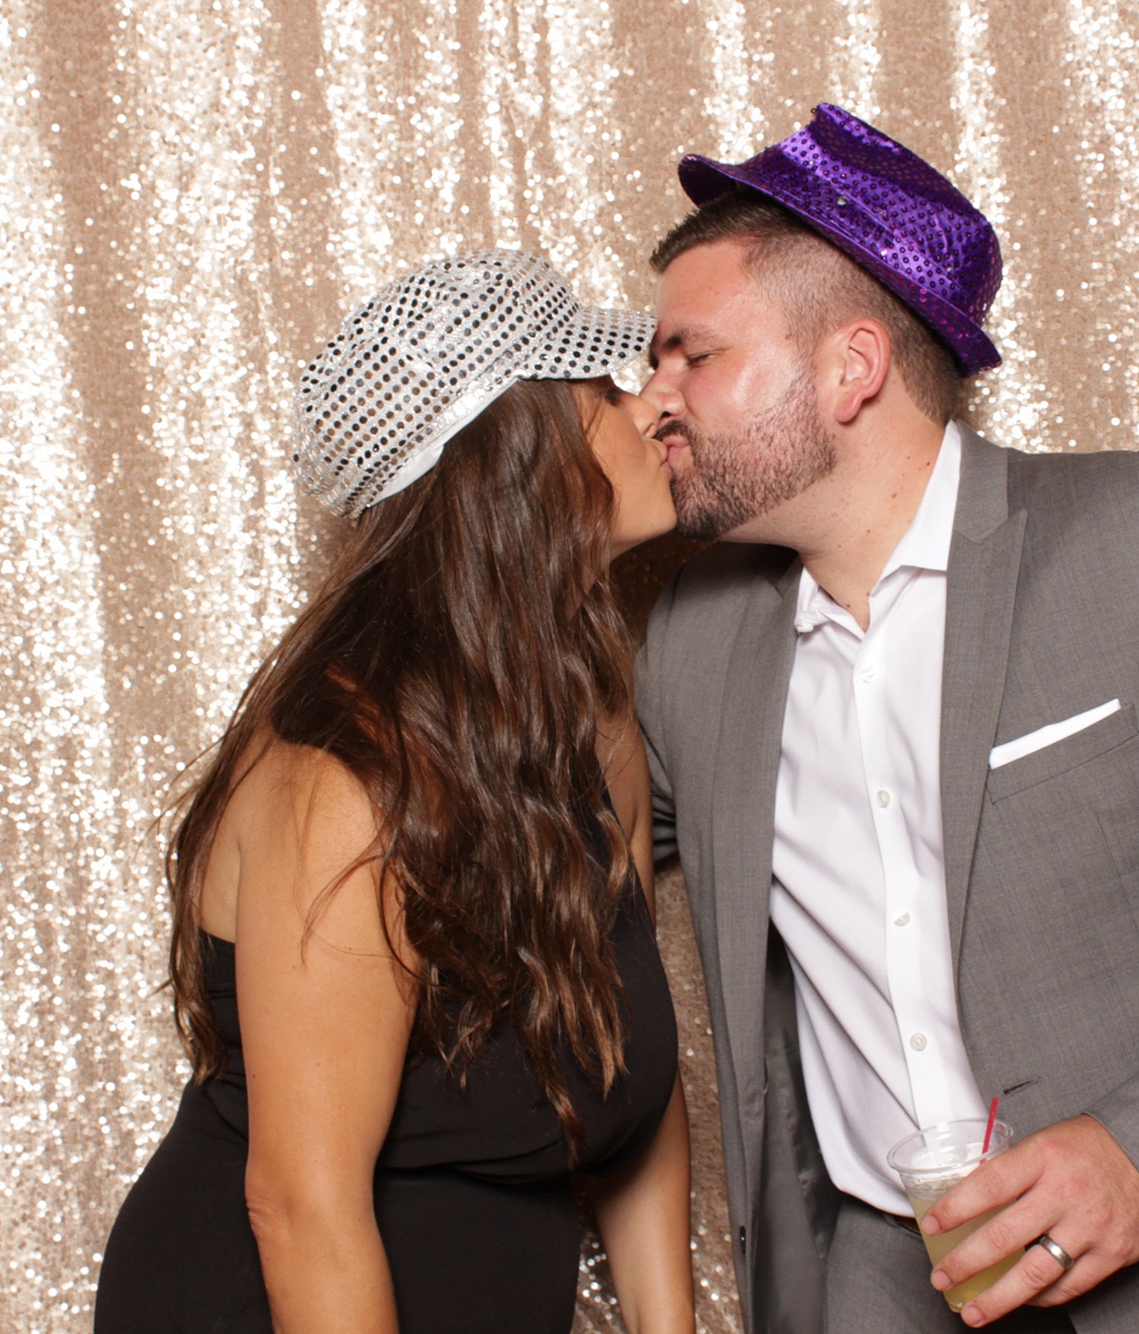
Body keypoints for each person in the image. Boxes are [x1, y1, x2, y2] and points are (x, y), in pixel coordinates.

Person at [633, 104, 1139, 1334]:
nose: (651, 398)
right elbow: (529, 842)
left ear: (849, 367)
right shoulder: (690, 645)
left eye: (688, 357)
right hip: (887, 1290)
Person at [96, 249, 695, 1334]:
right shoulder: (345, 786)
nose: (657, 396)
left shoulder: (589, 711)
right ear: (515, 459)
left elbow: (625, 1058)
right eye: (604, 387)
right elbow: (301, 1206)